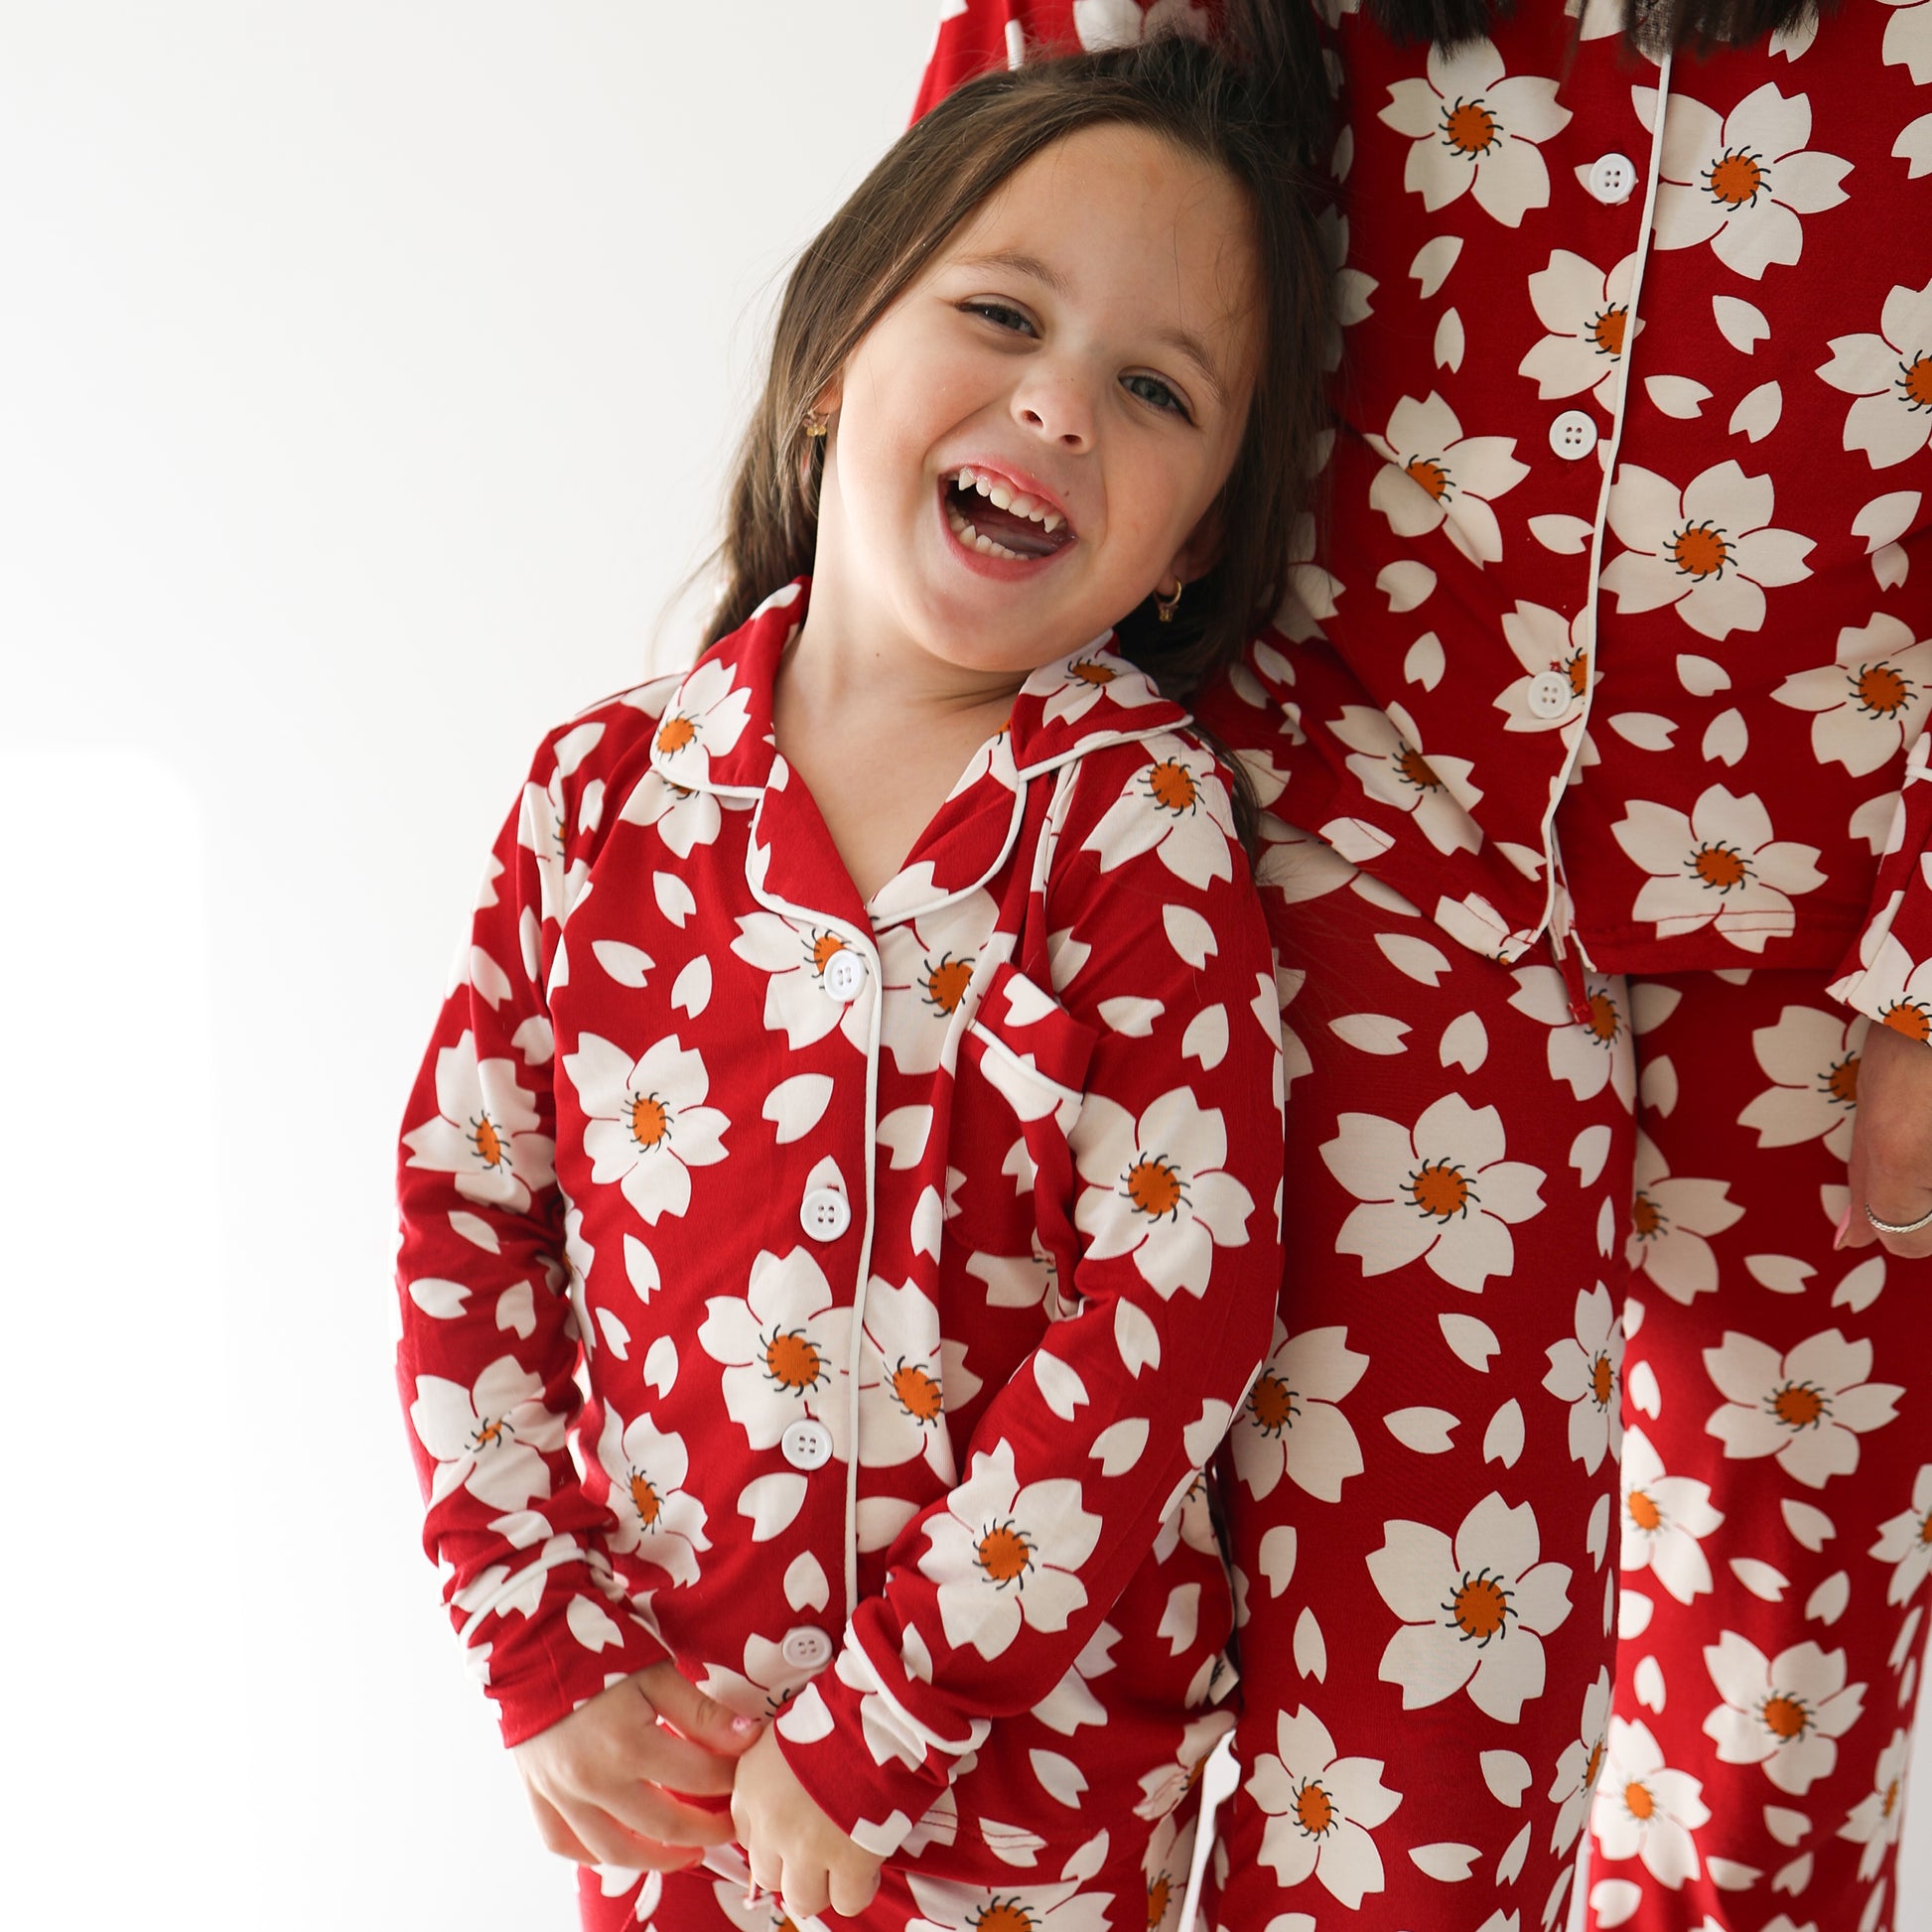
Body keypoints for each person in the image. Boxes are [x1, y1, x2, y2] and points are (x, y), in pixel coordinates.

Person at [911, 1, 1932, 1929]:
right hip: (1361, 830)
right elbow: (971, 284)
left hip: (1850, 889)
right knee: (1411, 1736)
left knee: (1780, 1742)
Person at [393, 32, 1336, 1932]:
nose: (1059, 406)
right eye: (1001, 313)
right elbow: (466, 1216)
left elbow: (1174, 1299)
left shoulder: (1136, 824)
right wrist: (533, 1640)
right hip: (670, 1751)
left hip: (1028, 1792)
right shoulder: (601, 800)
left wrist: (893, 1713)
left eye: (1152, 389)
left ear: (1194, 544)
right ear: (835, 362)